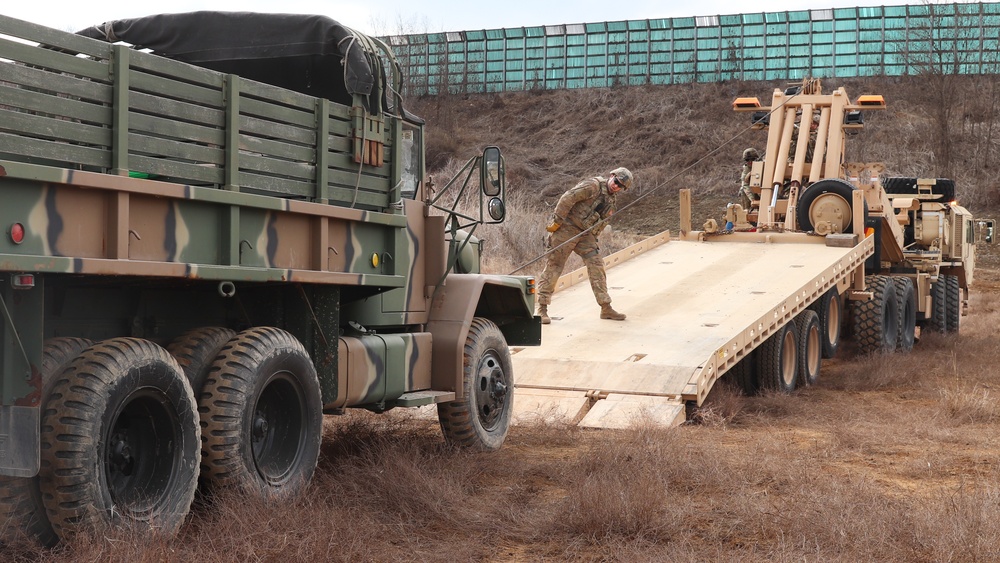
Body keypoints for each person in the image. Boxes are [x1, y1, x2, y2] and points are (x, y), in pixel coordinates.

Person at [535, 167, 634, 324]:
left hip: (585, 234)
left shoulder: (611, 200)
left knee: (596, 265)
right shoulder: (593, 186)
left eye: (621, 186)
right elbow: (568, 198)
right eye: (616, 182)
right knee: (555, 266)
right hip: (566, 229)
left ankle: (605, 307)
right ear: (612, 176)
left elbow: (602, 222)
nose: (617, 186)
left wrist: (592, 237)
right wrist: (557, 221)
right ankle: (542, 309)